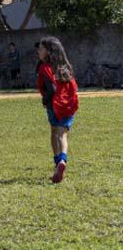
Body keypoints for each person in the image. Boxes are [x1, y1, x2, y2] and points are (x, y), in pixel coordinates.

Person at [37, 37, 79, 184]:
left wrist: (45, 98)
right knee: (63, 135)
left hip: (53, 106)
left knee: (54, 133)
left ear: (48, 51)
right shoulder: (66, 67)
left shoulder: (44, 68)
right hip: (68, 106)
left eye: (41, 48)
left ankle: (57, 164)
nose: (38, 51)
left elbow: (52, 89)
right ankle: (62, 161)